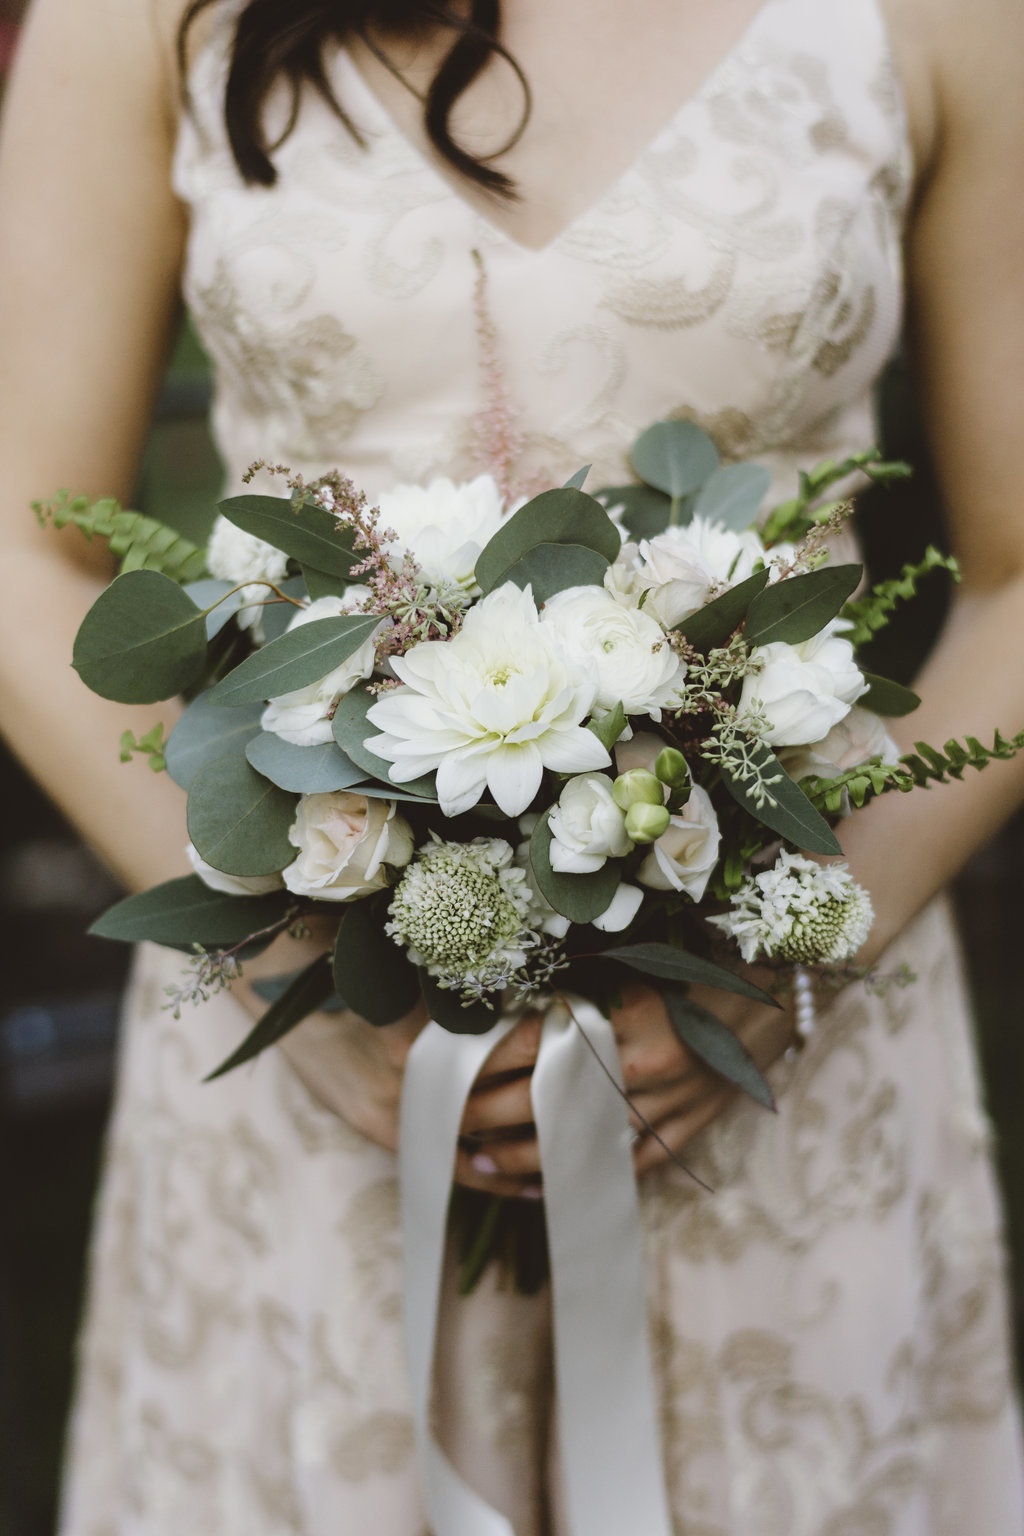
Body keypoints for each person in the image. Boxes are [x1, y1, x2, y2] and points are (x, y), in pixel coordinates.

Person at [1, 0, 1023, 1528]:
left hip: (780, 1057)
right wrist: (305, 975)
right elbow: (19, 541)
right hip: (312, 1065)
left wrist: (797, 956)